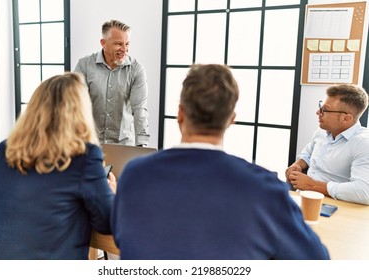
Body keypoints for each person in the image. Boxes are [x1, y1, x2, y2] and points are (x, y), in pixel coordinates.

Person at [111, 64, 329, 260]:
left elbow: (123, 238)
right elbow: (315, 260)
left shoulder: (134, 173)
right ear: (231, 119)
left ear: (180, 113)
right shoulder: (263, 188)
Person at [0, 73, 116, 260]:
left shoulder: (6, 150)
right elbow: (108, 222)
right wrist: (111, 193)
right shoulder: (84, 156)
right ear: (80, 112)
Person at [286, 84, 369, 206]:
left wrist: (312, 185)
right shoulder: (321, 132)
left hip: (334, 205)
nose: (318, 112)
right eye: (320, 106)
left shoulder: (363, 143)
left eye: (325, 109)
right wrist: (298, 164)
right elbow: (308, 152)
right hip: (303, 198)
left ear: (346, 118)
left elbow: (364, 192)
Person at [74, 19, 149, 147]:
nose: (124, 49)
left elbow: (139, 109)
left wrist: (142, 145)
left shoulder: (136, 69)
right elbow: (75, 104)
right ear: (103, 43)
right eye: (119, 44)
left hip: (124, 145)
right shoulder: (84, 65)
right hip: (90, 143)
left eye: (127, 44)